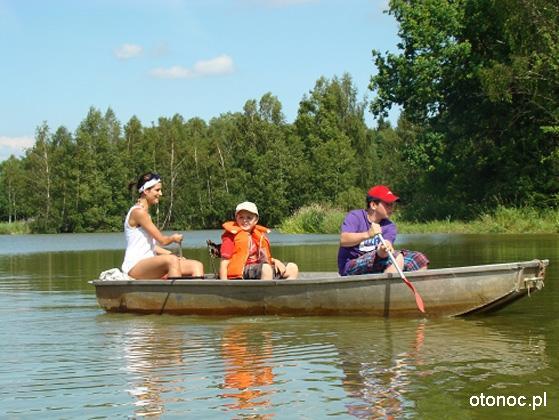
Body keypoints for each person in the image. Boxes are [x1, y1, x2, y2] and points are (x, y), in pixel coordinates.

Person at [121, 172, 204, 279]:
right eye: (157, 190)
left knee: (196, 265)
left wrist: (170, 253)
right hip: (134, 266)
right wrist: (173, 238)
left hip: (150, 262)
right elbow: (163, 241)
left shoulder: (145, 213)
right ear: (146, 191)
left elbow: (151, 246)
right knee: (171, 261)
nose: (160, 193)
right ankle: (176, 295)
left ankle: (193, 295)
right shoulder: (138, 213)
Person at [337, 185, 429, 276]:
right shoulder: (355, 217)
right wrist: (368, 234)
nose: (391, 208)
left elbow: (383, 251)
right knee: (397, 256)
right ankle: (386, 289)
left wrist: (384, 248)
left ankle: (412, 288)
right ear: (373, 205)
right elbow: (344, 240)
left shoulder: (390, 226)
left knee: (419, 259)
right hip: (350, 266)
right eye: (388, 204)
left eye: (392, 204)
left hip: (377, 260)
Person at [219, 201, 298, 280]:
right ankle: (265, 292)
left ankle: (283, 292)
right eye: (241, 217)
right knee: (266, 269)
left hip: (260, 268)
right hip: (241, 271)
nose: (244, 220)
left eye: (249, 218)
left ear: (256, 220)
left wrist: (275, 261)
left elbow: (264, 257)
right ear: (236, 218)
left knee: (292, 268)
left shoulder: (257, 235)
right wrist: (224, 283)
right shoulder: (230, 237)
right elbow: (224, 262)